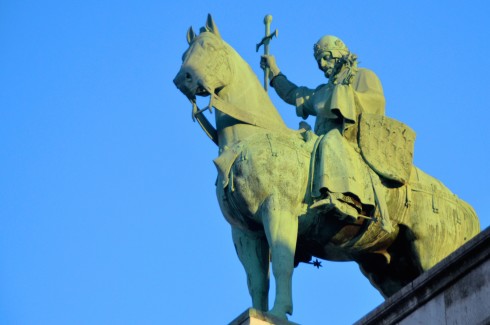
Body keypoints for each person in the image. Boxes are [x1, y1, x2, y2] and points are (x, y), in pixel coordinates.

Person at [261, 35, 386, 222]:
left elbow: (375, 105)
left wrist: (342, 96)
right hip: (323, 142)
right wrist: (274, 72)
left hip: (352, 142)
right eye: (318, 60)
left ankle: (345, 199)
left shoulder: (362, 76)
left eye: (326, 57)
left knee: (331, 140)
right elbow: (295, 94)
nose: (321, 64)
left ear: (339, 53)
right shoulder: (325, 90)